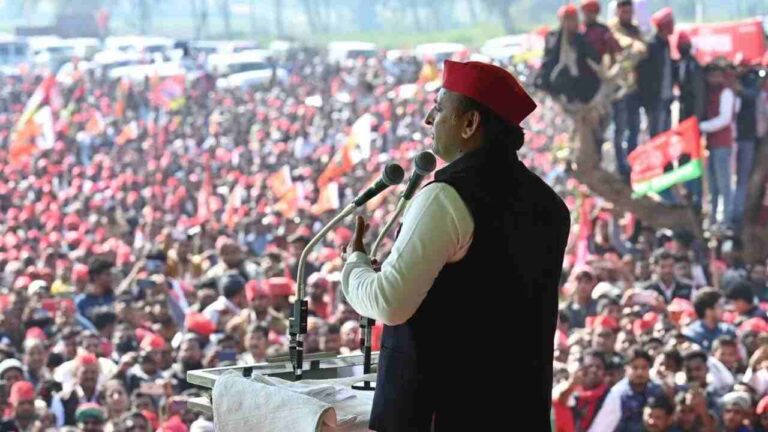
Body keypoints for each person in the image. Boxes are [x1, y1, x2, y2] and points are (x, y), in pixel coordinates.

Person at [342, 60, 570, 430]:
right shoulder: (551, 204)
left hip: (446, 412)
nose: (430, 119)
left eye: (440, 107)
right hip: (519, 411)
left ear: (470, 123)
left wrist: (354, 265)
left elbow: (389, 302)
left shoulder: (445, 197)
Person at [609, 0, 646, 178]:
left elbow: (643, 49)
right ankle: (620, 166)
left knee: (634, 128)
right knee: (620, 129)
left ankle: (632, 164)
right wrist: (634, 46)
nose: (627, 15)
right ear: (618, 12)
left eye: (629, 12)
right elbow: (623, 44)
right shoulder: (612, 30)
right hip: (618, 89)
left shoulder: (635, 29)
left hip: (634, 88)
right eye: (624, 12)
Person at [588, 347, 664, 432]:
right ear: (626, 369)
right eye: (635, 368)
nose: (640, 372)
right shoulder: (617, 394)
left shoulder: (657, 390)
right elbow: (601, 428)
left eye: (644, 367)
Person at [536, 5, 601, 103]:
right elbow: (548, 60)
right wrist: (543, 82)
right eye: (567, 19)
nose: (571, 23)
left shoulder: (582, 38)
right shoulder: (552, 37)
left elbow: (595, 58)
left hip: (580, 84)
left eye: (573, 19)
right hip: (558, 84)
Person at [699, 60, 737, 229]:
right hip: (711, 145)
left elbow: (724, 119)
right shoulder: (709, 93)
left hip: (722, 143)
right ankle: (713, 217)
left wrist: (701, 127)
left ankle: (726, 219)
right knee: (713, 184)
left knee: (724, 184)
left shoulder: (726, 93)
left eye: (716, 75)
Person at [637, 7, 676, 137]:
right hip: (655, 100)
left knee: (666, 135)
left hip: (666, 98)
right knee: (656, 137)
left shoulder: (666, 44)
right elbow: (645, 76)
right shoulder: (652, 46)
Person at [552, 349, 610, 432]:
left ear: (604, 372)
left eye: (598, 367)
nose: (593, 370)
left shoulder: (609, 397)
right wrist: (572, 384)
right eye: (589, 366)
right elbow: (557, 400)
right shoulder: (569, 391)